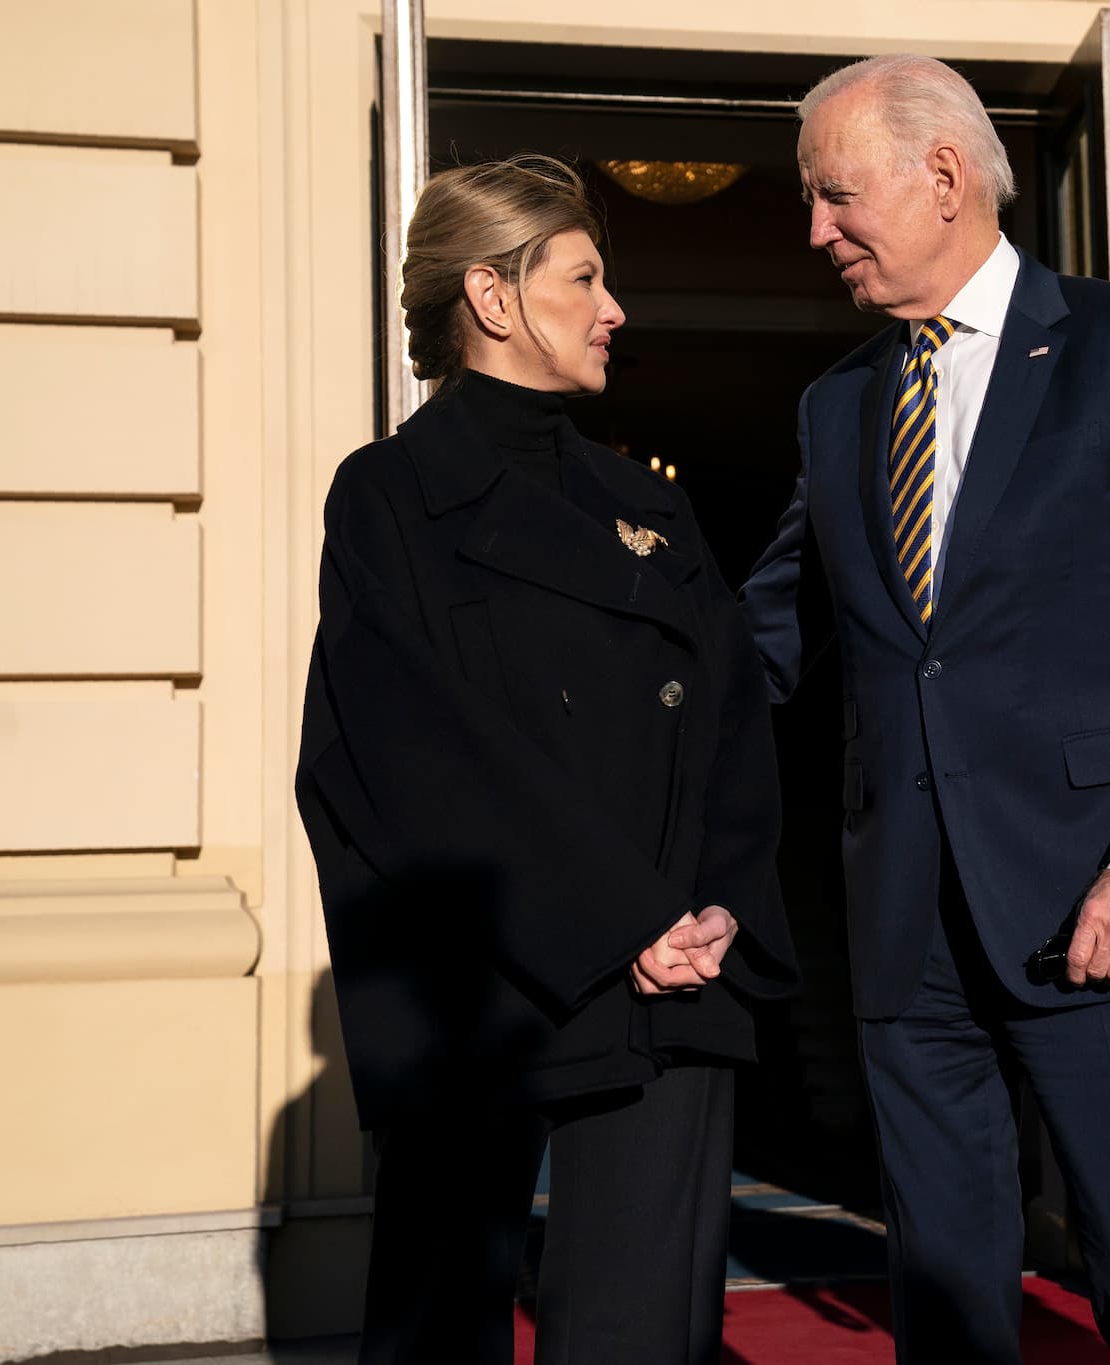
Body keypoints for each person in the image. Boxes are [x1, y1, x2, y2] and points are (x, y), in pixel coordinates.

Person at [740, 54, 1110, 1365]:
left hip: (1099, 905)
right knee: (947, 1284)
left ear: (944, 175)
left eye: (834, 194)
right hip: (906, 916)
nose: (817, 232)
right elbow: (769, 634)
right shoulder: (837, 402)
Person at [294, 154, 797, 1365]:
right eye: (584, 278)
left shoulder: (650, 506)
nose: (615, 307)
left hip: (671, 976)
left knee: (640, 1331)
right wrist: (618, 917)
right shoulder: (391, 498)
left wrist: (717, 912)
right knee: (438, 1329)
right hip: (488, 978)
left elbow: (732, 730)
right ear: (494, 297)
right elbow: (411, 752)